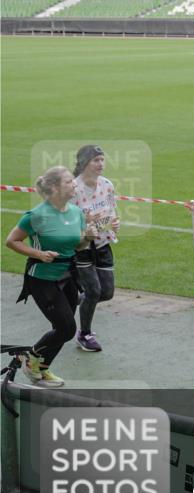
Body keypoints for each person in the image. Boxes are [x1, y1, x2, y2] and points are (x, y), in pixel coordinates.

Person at [5, 166, 93, 388]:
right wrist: (39, 254)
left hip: (68, 276)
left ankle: (41, 369)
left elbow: (79, 246)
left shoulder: (77, 213)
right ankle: (31, 359)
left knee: (61, 328)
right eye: (69, 181)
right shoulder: (36, 216)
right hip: (42, 279)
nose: (75, 184)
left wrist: (88, 237)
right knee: (66, 328)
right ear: (54, 187)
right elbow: (11, 241)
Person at [71, 145, 119, 352]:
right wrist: (85, 220)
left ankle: (75, 300)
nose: (101, 164)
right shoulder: (73, 189)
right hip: (82, 246)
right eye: (96, 160)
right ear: (84, 163)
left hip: (103, 243)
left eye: (102, 160)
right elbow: (65, 221)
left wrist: (114, 223)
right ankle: (84, 335)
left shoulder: (107, 185)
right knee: (93, 291)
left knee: (106, 292)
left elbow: (111, 211)